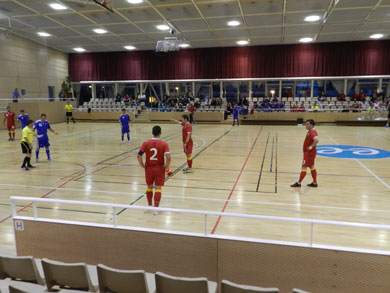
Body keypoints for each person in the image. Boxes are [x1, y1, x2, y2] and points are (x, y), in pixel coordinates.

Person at [137, 126, 171, 215]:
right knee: (158, 189)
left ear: (152, 132)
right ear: (160, 133)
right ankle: (156, 209)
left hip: (149, 168)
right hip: (159, 168)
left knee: (149, 187)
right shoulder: (164, 144)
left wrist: (142, 165)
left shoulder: (146, 143)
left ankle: (149, 205)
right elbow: (168, 157)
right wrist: (167, 167)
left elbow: (139, 155)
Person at [291, 119, 319, 188]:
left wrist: (311, 147)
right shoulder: (311, 131)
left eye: (307, 124)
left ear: (311, 125)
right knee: (311, 166)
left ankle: (299, 182)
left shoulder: (312, 132)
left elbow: (317, 140)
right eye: (305, 124)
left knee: (304, 167)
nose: (305, 125)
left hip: (309, 153)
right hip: (310, 153)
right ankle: (314, 183)